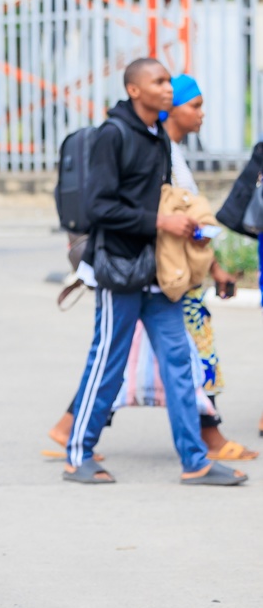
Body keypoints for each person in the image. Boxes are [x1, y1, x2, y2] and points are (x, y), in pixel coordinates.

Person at [47, 74, 257, 463]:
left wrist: (205, 257)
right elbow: (105, 208)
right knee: (117, 359)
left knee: (178, 360)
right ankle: (78, 449)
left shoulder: (160, 143)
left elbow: (182, 211)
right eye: (193, 104)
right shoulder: (121, 137)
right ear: (138, 91)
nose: (202, 113)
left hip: (165, 272)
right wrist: (164, 224)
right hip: (129, 268)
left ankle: (196, 458)